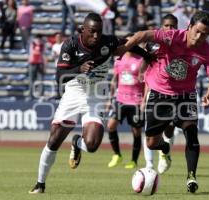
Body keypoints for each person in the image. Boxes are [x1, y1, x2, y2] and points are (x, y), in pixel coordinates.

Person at [29, 12, 151, 194]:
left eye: (99, 32)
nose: (96, 36)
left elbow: (127, 43)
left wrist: (148, 56)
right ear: (83, 30)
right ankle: (40, 184)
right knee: (54, 140)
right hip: (74, 93)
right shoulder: (70, 45)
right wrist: (79, 69)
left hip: (96, 97)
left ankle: (78, 143)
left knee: (92, 145)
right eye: (92, 31)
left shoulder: (107, 41)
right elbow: (59, 77)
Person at [123, 11, 209, 193]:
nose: (199, 37)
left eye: (204, 34)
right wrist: (124, 47)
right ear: (189, 26)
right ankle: (165, 147)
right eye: (197, 31)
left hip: (186, 95)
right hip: (160, 93)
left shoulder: (207, 51)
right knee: (151, 143)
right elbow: (142, 35)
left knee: (191, 131)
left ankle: (191, 176)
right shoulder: (172, 36)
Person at [141, 14, 178, 174]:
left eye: (172, 26)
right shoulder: (151, 44)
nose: (169, 29)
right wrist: (144, 97)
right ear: (162, 27)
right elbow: (144, 70)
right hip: (154, 92)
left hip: (175, 93)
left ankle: (165, 152)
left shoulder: (182, 43)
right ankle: (149, 164)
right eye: (167, 26)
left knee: (169, 128)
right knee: (149, 131)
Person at [106, 34, 145, 169]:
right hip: (121, 99)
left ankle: (134, 160)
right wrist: (109, 100)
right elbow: (114, 80)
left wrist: (144, 100)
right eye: (126, 42)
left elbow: (146, 82)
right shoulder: (119, 60)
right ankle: (117, 154)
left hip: (136, 101)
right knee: (111, 126)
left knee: (136, 131)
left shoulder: (140, 60)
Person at [28, 34, 47, 99]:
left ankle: (40, 94)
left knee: (40, 79)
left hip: (39, 63)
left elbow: (43, 55)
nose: (38, 40)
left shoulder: (42, 45)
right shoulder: (33, 43)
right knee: (32, 80)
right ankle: (31, 95)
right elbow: (34, 52)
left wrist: (44, 65)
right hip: (34, 62)